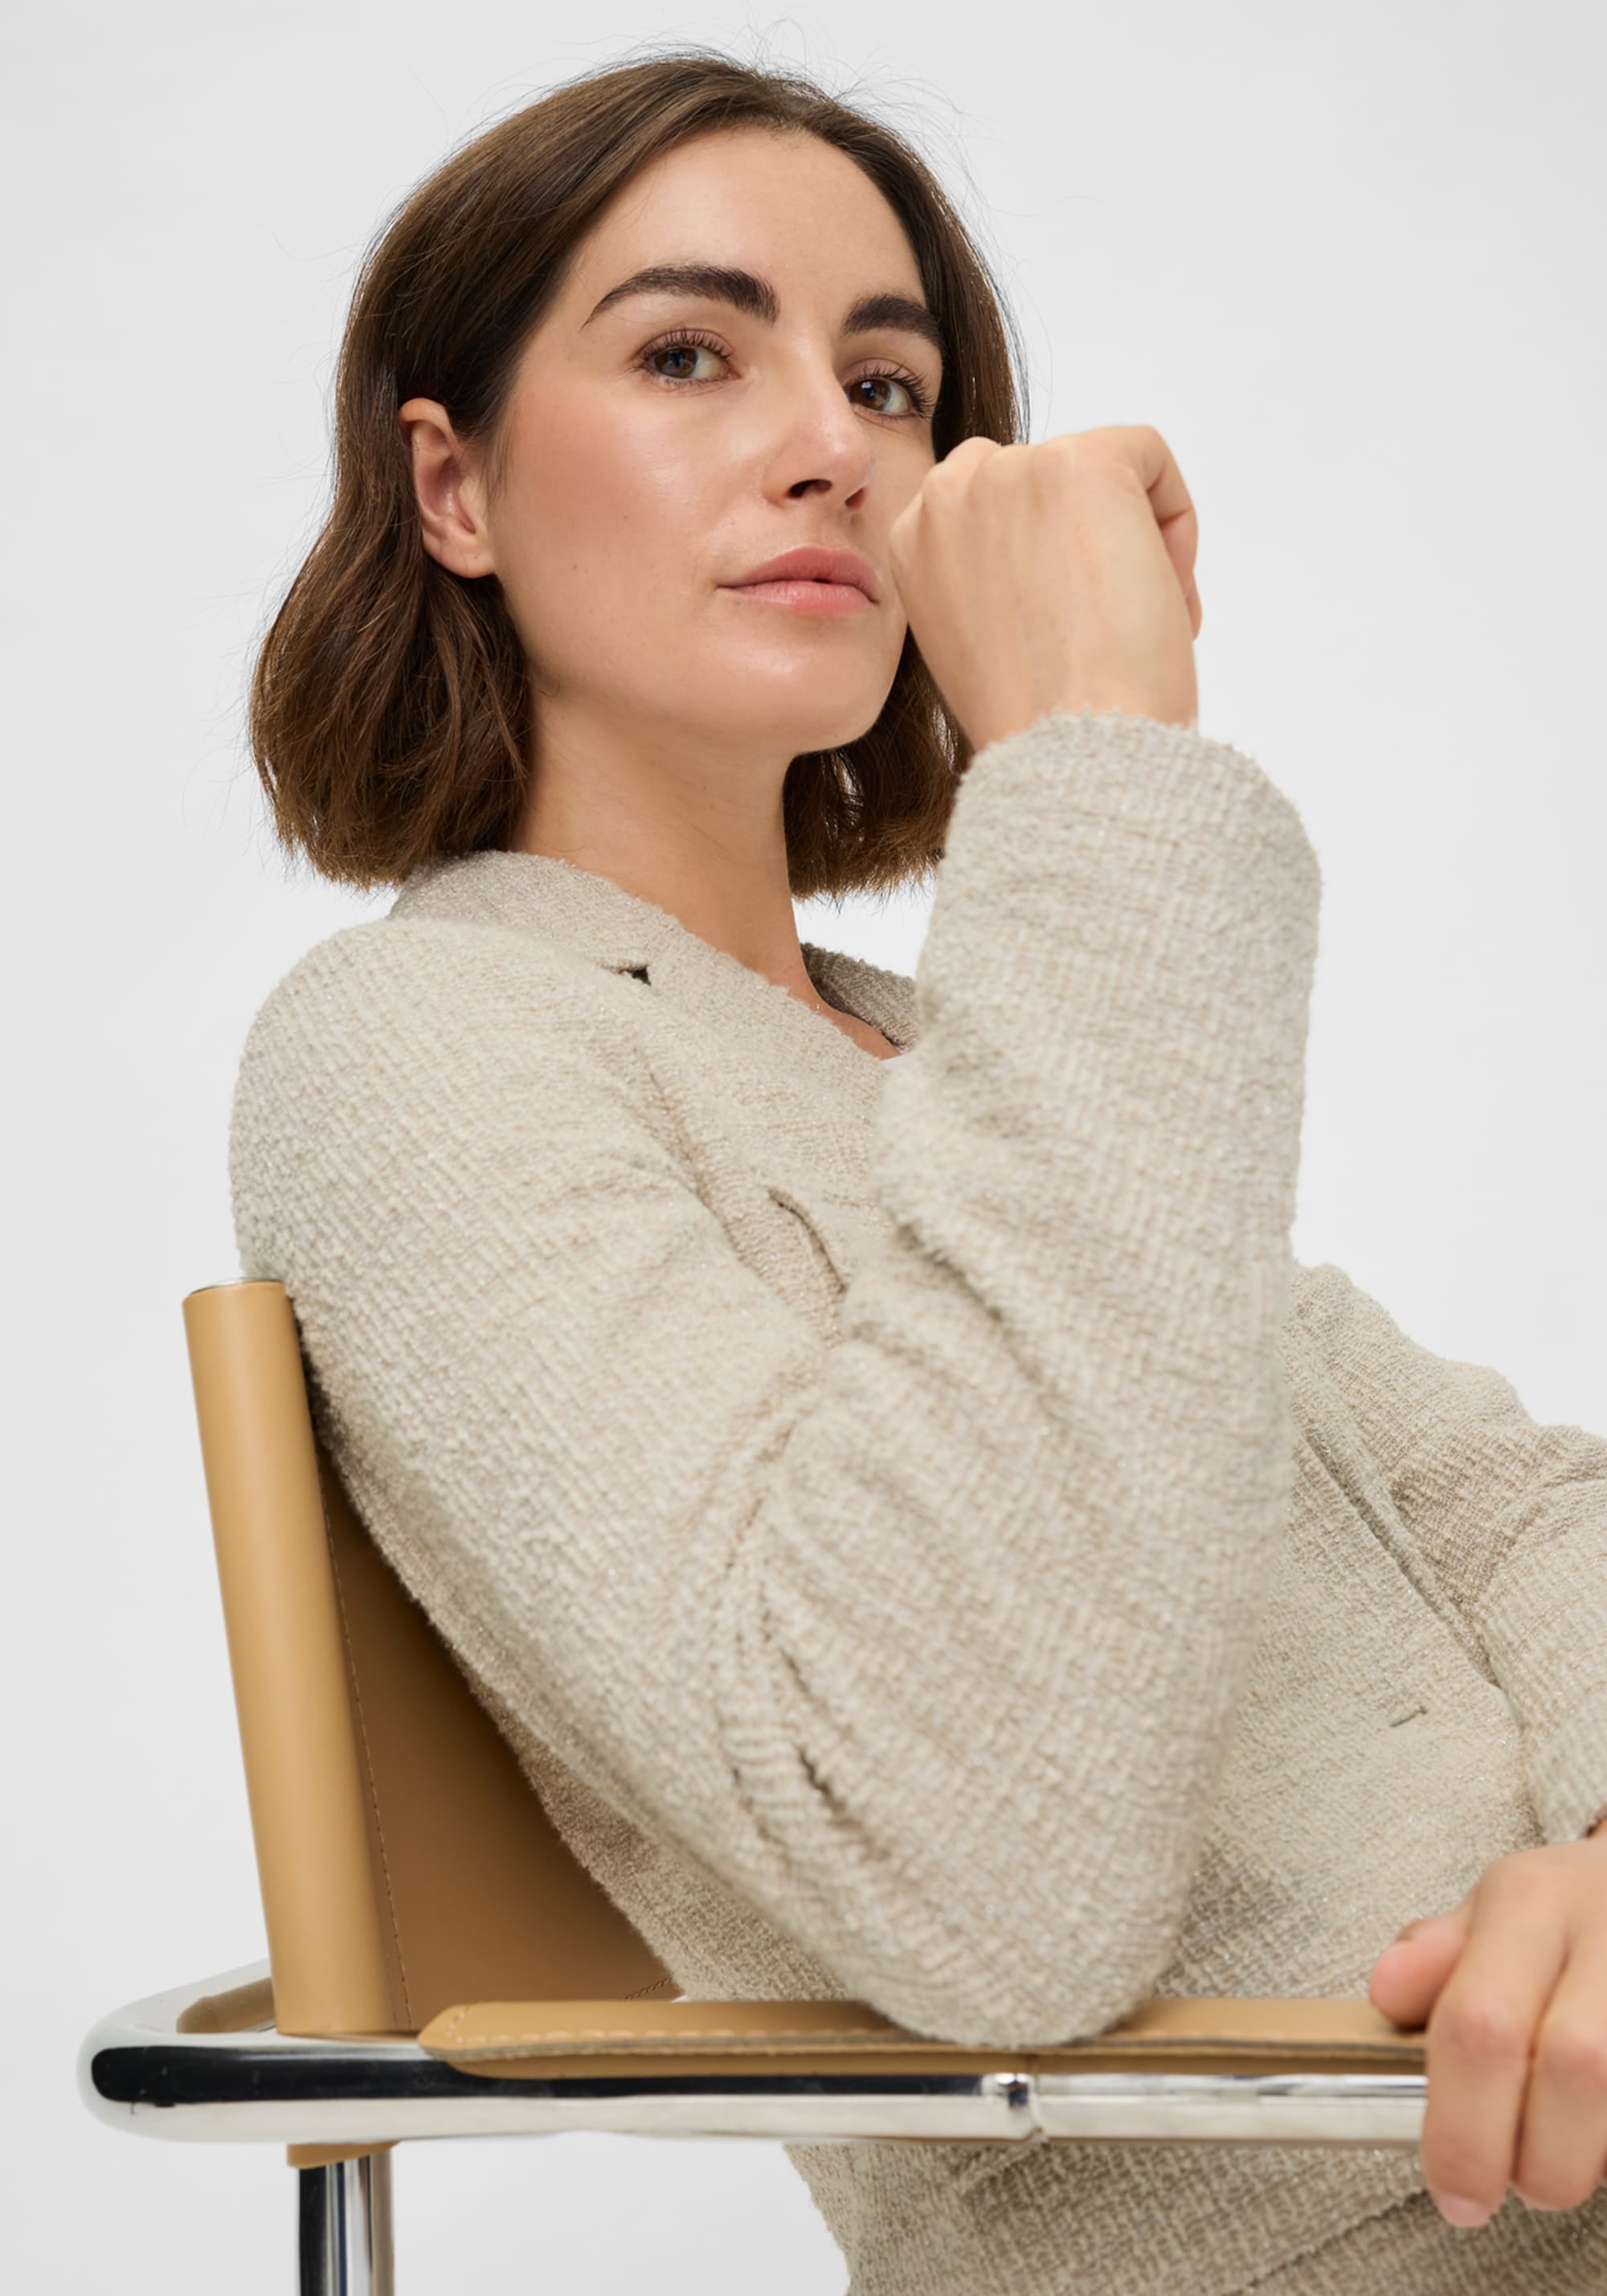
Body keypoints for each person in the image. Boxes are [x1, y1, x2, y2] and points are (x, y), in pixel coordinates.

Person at [227, 47, 1607, 2294]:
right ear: (452, 484)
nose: (834, 448)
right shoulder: (417, 1047)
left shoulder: (964, 1046)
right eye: (692, 354)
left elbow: (1502, 1506)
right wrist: (1095, 767)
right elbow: (984, 1863)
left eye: (889, 383)